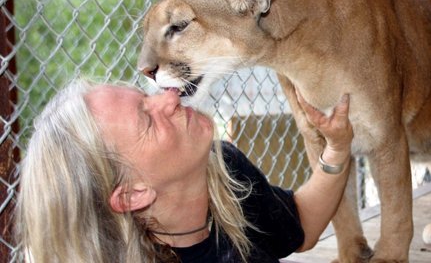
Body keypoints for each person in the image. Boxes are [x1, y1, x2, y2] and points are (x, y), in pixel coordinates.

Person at [13, 78, 353, 263]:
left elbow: (301, 226)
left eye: (145, 96)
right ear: (133, 194)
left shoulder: (224, 172)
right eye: (147, 118)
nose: (171, 95)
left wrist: (336, 148)